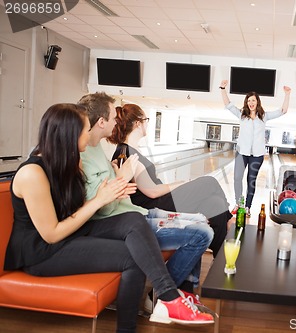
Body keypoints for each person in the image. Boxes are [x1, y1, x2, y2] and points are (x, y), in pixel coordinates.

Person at [3, 104, 213, 333]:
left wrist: (113, 183)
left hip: (72, 233)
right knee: (133, 257)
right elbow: (51, 233)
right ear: (69, 135)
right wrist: (99, 200)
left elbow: (74, 210)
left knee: (133, 219)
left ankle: (167, 299)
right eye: (85, 130)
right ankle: (165, 302)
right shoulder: (32, 173)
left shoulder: (69, 162)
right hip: (42, 252)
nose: (89, 134)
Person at [76, 92, 215, 323]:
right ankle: (162, 296)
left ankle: (185, 292)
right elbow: (102, 208)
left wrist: (117, 177)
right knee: (203, 233)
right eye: (113, 117)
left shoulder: (96, 147)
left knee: (201, 219)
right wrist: (121, 178)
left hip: (135, 213)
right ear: (101, 122)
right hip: (125, 221)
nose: (116, 121)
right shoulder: (84, 154)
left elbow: (112, 193)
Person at [107, 103, 232, 257]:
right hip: (155, 206)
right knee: (209, 182)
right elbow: (152, 191)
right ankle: (230, 219)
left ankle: (222, 262)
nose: (147, 123)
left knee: (215, 204)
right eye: (146, 120)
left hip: (160, 201)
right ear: (138, 123)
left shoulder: (127, 149)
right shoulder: (129, 153)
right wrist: (182, 183)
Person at [220, 79, 291, 217]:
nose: (251, 103)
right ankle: (238, 203)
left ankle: (247, 207)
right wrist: (222, 88)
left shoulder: (264, 116)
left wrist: (287, 94)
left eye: (253, 100)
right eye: (248, 101)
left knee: (250, 180)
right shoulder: (242, 115)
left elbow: (283, 111)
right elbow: (228, 105)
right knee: (237, 178)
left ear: (257, 102)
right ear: (246, 103)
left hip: (257, 155)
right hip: (242, 153)